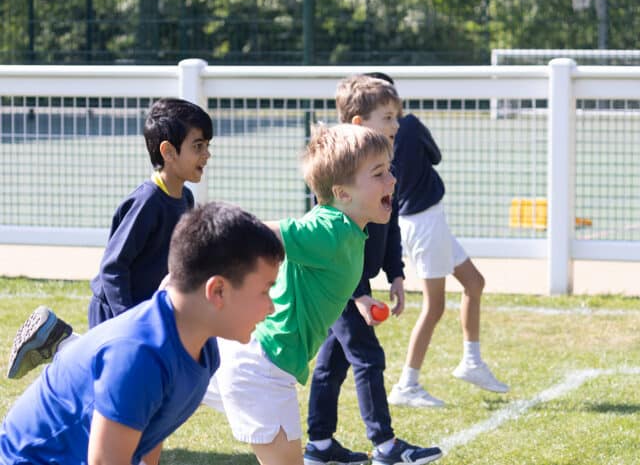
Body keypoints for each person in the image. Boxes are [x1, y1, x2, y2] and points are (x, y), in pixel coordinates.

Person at [203, 123, 440, 465]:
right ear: (342, 193)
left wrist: (359, 297)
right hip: (261, 367)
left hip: (258, 359)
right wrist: (209, 232)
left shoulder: (346, 228)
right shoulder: (331, 229)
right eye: (378, 174)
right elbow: (259, 234)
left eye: (389, 170)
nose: (392, 180)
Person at [0, 201, 285, 465]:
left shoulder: (203, 347)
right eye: (265, 290)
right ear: (217, 291)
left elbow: (151, 431)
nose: (271, 307)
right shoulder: (139, 356)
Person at [6, 97, 212, 380]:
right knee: (109, 381)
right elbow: (113, 267)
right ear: (168, 151)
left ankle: (56, 338)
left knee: (135, 381)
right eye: (198, 146)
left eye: (207, 146)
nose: (206, 155)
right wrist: (126, 319)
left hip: (144, 313)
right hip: (117, 310)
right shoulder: (147, 203)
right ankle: (54, 340)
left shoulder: (185, 199)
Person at [303, 75, 442, 465]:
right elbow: (335, 244)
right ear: (359, 124)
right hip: (340, 286)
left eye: (396, 116)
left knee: (332, 362)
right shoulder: (341, 175)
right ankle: (385, 445)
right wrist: (360, 294)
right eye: (388, 117)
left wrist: (396, 273)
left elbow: (390, 223)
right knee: (368, 356)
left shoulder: (383, 169)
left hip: (357, 285)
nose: (397, 124)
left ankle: (319, 445)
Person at [368, 73, 509, 408]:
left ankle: (471, 361)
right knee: (434, 306)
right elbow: (435, 156)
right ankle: (407, 384)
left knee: (474, 283)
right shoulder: (411, 126)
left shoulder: (373, 145)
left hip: (427, 220)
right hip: (423, 223)